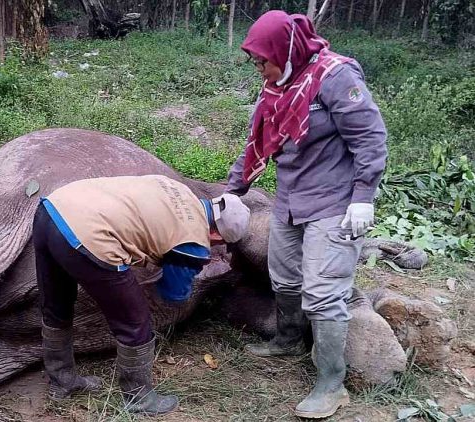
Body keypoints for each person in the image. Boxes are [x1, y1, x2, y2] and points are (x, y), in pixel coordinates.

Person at [224, 10, 388, 419]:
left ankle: (332, 383)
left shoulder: (335, 78)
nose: (259, 67)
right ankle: (288, 339)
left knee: (324, 289)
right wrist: (231, 192)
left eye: (263, 59)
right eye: (255, 60)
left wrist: (363, 195)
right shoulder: (274, 90)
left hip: (334, 204)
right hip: (291, 201)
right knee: (284, 276)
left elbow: (370, 137)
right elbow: (255, 146)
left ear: (287, 49)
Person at [33, 174, 250, 415]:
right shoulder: (194, 241)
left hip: (52, 210)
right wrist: (184, 276)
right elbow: (173, 294)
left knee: (57, 305)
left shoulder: (179, 189)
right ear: (218, 236)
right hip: (89, 236)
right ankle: (139, 399)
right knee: (136, 324)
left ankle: (61, 382)